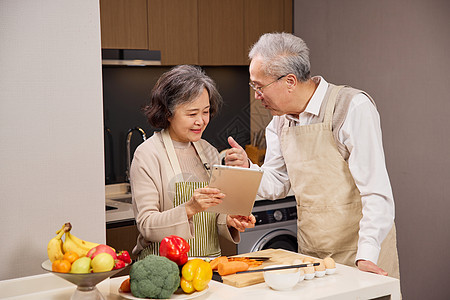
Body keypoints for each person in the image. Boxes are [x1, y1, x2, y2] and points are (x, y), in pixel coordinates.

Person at [225, 33, 400, 278]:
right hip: (313, 256)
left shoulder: (351, 108)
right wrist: (248, 169)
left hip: (362, 255)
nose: (256, 95)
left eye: (259, 86)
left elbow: (376, 191)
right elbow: (278, 183)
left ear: (290, 81)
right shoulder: (279, 123)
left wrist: (367, 254)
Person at [131, 65, 256, 260]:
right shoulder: (148, 154)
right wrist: (189, 208)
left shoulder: (209, 151)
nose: (201, 121)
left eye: (205, 112)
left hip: (206, 266)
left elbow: (213, 215)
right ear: (168, 113)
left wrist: (229, 220)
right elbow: (147, 225)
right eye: (191, 114)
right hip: (164, 267)